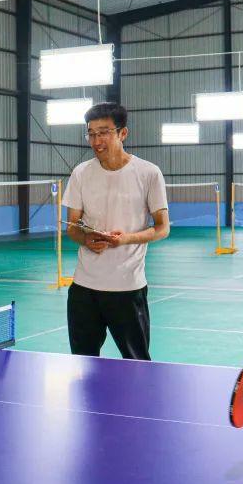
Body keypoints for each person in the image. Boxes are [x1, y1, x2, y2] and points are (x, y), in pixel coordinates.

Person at [61, 102, 169, 361]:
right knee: (82, 363)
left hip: (127, 288)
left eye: (104, 132)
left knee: (137, 364)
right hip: (84, 289)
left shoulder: (148, 173)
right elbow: (72, 226)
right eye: (91, 134)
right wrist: (86, 238)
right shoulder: (81, 173)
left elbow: (162, 227)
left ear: (123, 133)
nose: (96, 141)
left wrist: (126, 239)